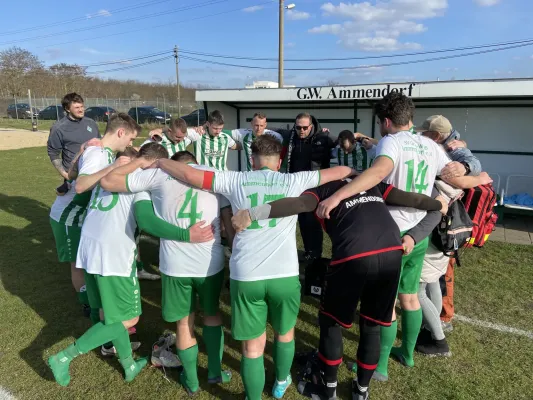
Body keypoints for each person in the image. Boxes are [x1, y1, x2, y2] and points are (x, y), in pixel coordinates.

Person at [148, 135, 356, 400]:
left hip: (247, 275)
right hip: (284, 274)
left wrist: (161, 162)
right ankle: (280, 382)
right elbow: (340, 171)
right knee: (284, 333)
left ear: (252, 160)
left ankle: (253, 396)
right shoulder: (294, 179)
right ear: (279, 162)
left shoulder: (235, 179)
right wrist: (357, 172)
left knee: (252, 347)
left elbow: (189, 174)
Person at [315, 92, 491, 381]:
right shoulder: (430, 145)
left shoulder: (392, 141)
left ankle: (379, 366)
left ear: (386, 121)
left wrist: (337, 196)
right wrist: (479, 178)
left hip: (390, 233)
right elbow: (457, 179)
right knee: (410, 296)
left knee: (386, 306)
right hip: (419, 232)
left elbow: (379, 172)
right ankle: (407, 353)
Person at [230, 180, 447, 400]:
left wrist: (252, 213)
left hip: (353, 254)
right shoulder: (372, 183)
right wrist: (440, 205)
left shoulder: (322, 189)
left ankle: (328, 389)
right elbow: (414, 199)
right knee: (371, 325)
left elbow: (298, 204)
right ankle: (361, 391)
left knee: (331, 323)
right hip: (391, 252)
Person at [47, 121, 198, 386]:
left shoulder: (112, 170)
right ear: (154, 165)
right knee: (129, 317)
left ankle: (128, 364)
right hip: (114, 254)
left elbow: (80, 195)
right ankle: (64, 356)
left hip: (89, 247)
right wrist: (186, 234)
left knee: (107, 313)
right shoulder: (142, 181)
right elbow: (147, 221)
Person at [100, 150, 235, 395]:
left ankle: (191, 381)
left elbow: (109, 182)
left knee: (184, 324)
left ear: (173, 164)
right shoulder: (213, 173)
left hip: (175, 266)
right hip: (210, 263)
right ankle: (215, 371)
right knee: (212, 315)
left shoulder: (157, 175)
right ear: (195, 163)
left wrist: (141, 163)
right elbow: (227, 217)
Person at [416, 115, 483, 333]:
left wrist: (465, 167)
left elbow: (474, 166)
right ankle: (436, 322)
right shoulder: (443, 145)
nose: (421, 136)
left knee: (433, 279)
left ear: (436, 135)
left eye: (426, 133)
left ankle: (439, 324)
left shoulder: (453, 150)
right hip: (445, 223)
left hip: (443, 224)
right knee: (435, 279)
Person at [47, 93, 100, 309]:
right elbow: (53, 152)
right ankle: (85, 302)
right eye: (76, 106)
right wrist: (65, 174)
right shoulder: (59, 127)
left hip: (93, 181)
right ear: (67, 108)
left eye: (82, 105)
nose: (81, 108)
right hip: (74, 182)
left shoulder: (91, 124)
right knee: (76, 259)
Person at [279, 112, 336, 262]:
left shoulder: (324, 137)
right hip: (295, 186)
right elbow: (271, 130)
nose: (301, 130)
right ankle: (308, 251)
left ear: (311, 126)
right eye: (298, 127)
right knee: (301, 221)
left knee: (313, 220)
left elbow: (344, 140)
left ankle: (316, 254)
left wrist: (361, 137)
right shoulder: (291, 136)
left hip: (315, 186)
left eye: (305, 127)